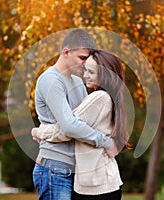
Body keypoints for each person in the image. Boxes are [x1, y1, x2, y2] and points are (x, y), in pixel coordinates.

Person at [33, 49, 130, 200]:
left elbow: (69, 128)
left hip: (96, 185)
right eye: (85, 69)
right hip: (77, 173)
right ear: (66, 52)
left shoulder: (98, 97)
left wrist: (39, 132)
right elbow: (76, 127)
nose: (85, 75)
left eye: (91, 72)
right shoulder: (109, 97)